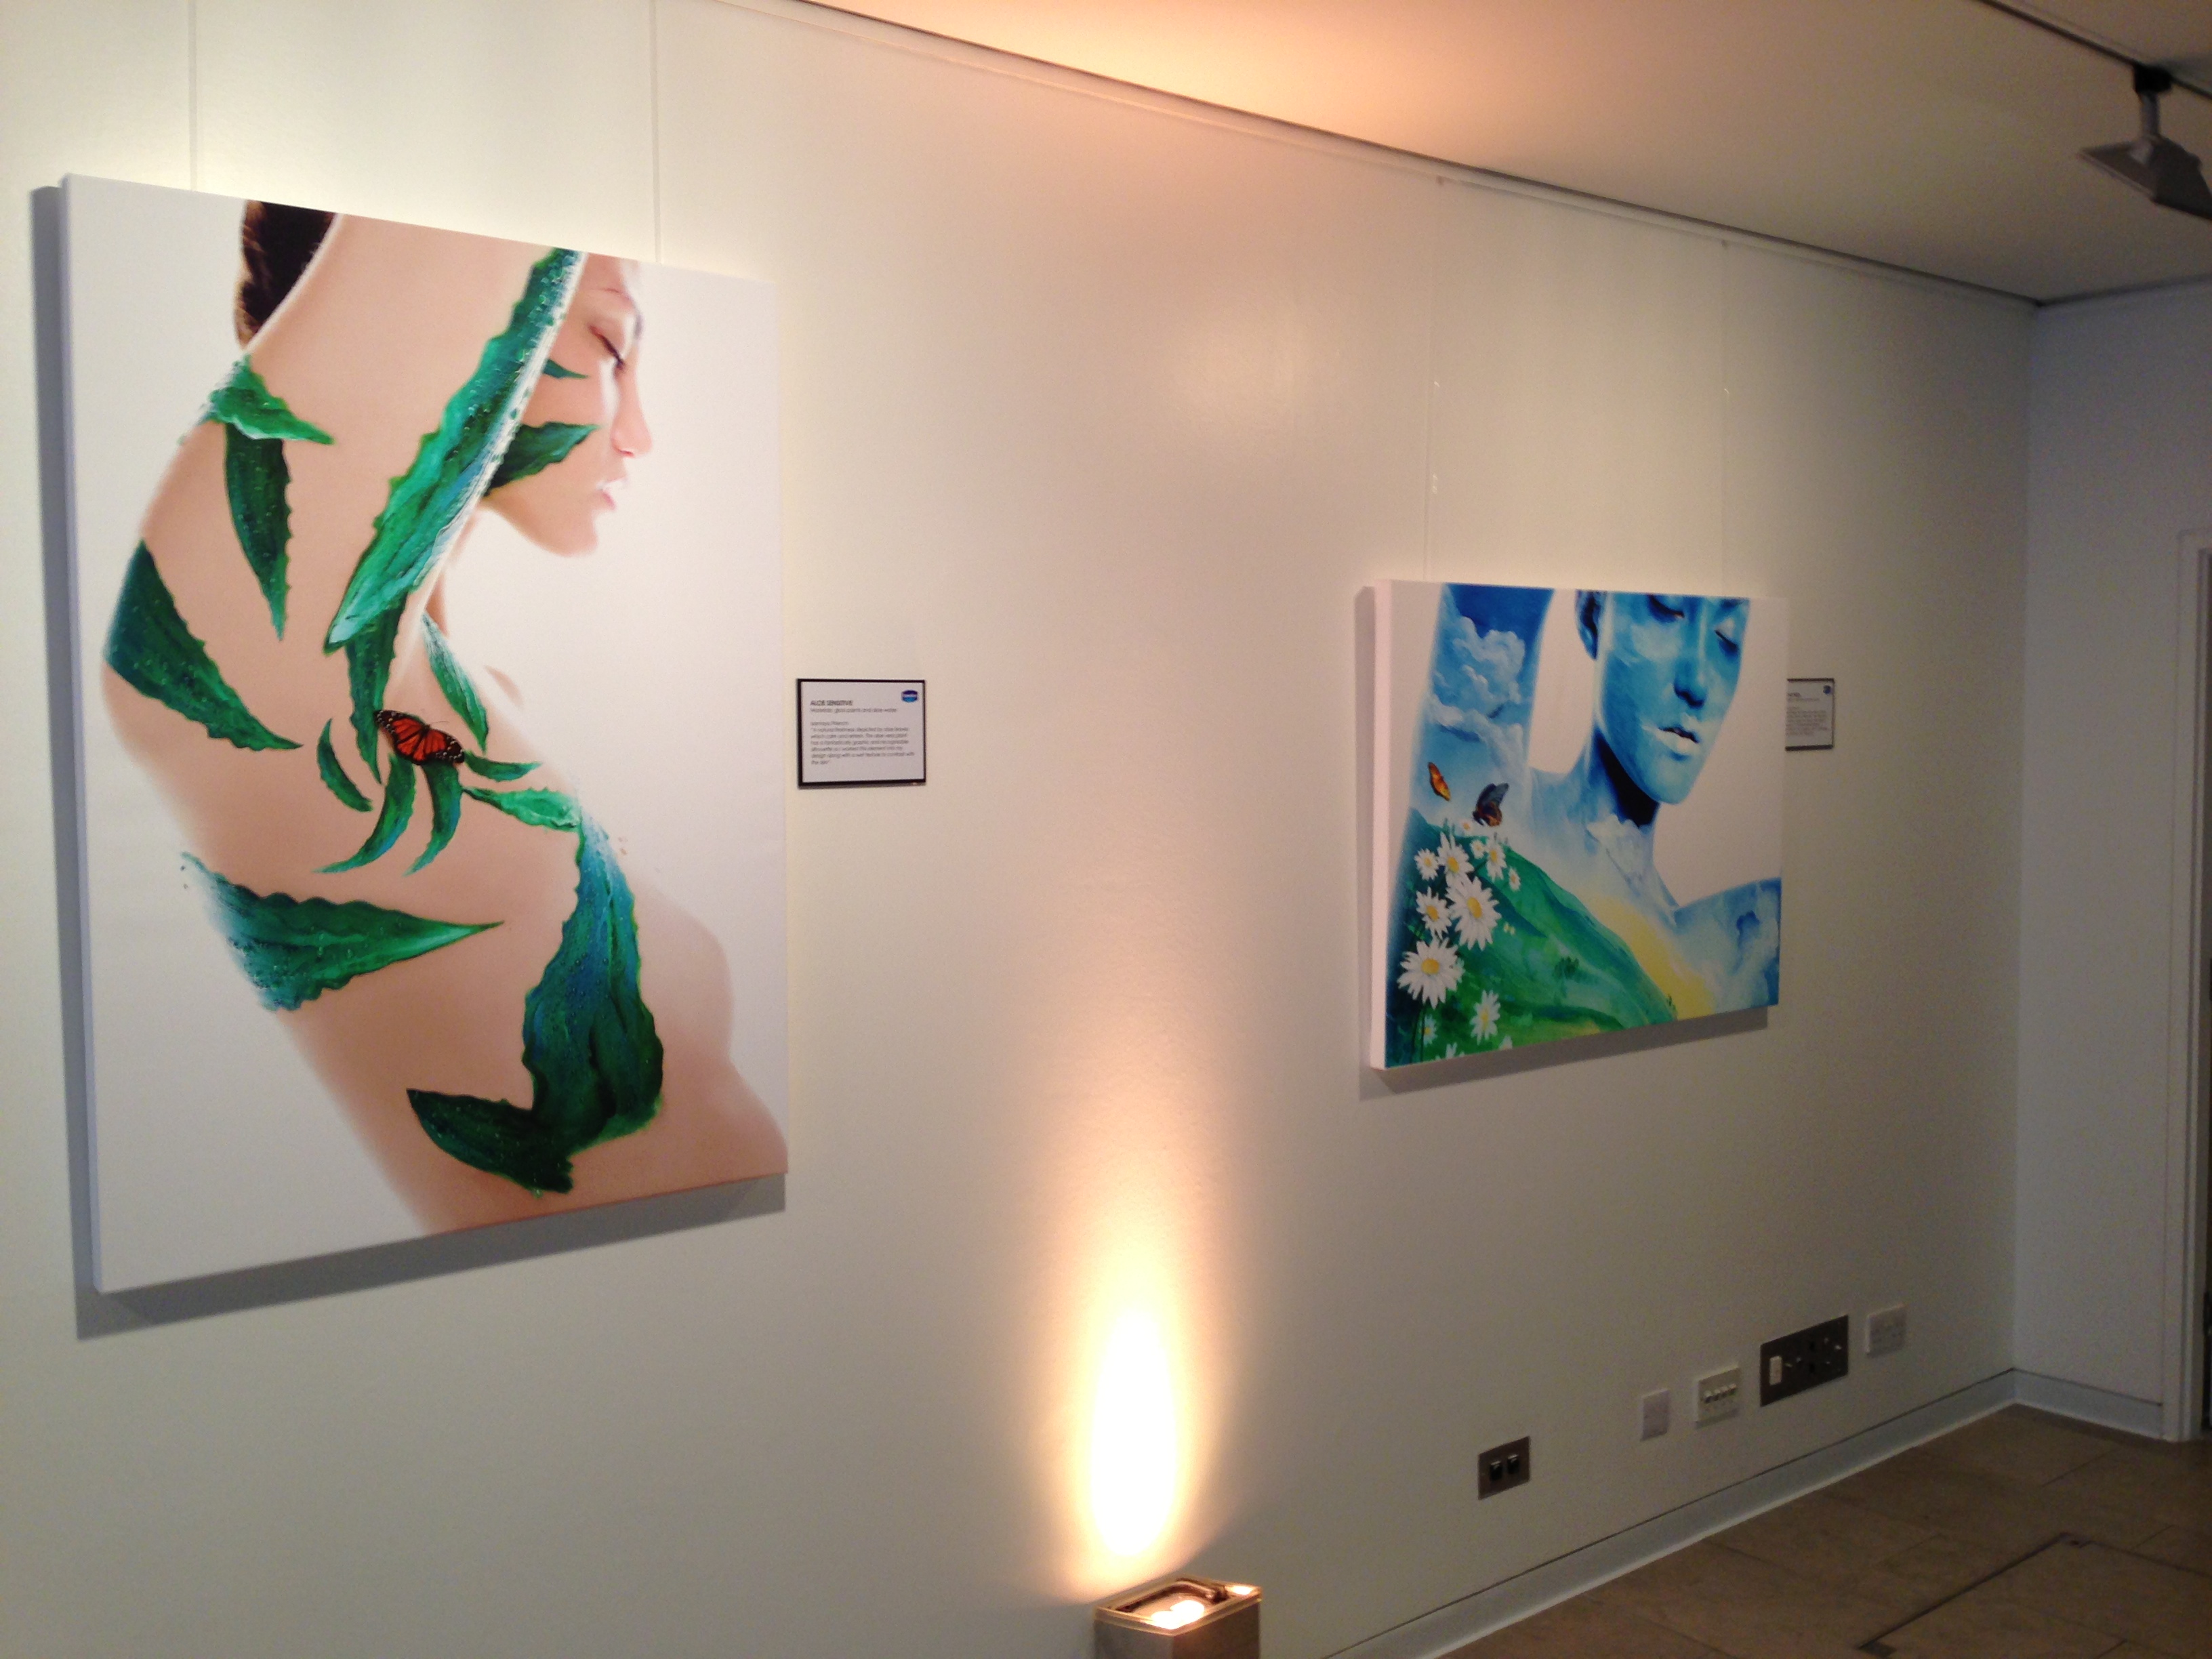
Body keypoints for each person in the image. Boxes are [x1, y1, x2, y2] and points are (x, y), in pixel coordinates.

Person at [104, 203, 787, 1230]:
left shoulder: (465, 711)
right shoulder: (266, 673)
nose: (639, 433)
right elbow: (490, 225)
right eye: (609, 344)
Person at [1521, 590, 1779, 1015]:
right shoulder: (1491, 810)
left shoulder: (1720, 953)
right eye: (1668, 609)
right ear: (1591, 614)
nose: (1697, 683)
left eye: (1727, 635)